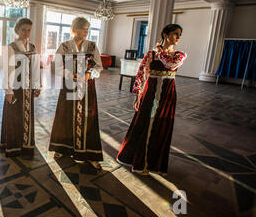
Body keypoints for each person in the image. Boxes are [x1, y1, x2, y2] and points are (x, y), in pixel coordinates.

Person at [116, 24, 187, 175]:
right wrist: (137, 96)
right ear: (165, 35)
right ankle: (141, 162)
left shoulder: (179, 55)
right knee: (146, 123)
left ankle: (155, 163)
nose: (178, 37)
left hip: (168, 94)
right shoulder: (151, 54)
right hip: (150, 93)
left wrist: (160, 51)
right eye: (175, 34)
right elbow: (141, 74)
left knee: (162, 125)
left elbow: (170, 63)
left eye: (180, 34)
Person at [49, 17, 103, 170]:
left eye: (87, 29)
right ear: (75, 29)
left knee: (88, 118)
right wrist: (68, 75)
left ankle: (90, 154)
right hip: (68, 86)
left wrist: (89, 74)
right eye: (84, 28)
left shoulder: (92, 46)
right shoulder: (65, 46)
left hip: (87, 86)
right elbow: (56, 67)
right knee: (66, 115)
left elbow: (99, 67)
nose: (86, 31)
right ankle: (62, 148)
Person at [0, 18, 40, 157]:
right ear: (17, 30)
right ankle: (12, 145)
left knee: (26, 116)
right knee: (14, 116)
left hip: (28, 88)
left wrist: (37, 85)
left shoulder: (33, 48)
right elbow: (7, 70)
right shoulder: (11, 47)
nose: (26, 33)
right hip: (15, 88)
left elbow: (35, 68)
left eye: (29, 30)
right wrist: (8, 91)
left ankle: (26, 144)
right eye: (23, 30)